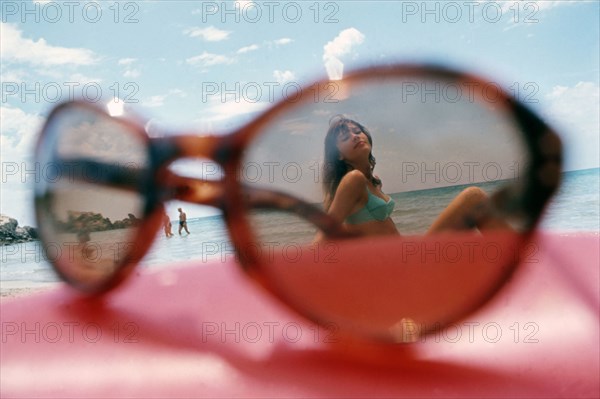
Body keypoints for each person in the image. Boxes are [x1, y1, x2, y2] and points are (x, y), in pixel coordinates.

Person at [320, 115, 509, 238]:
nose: (355, 136)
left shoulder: (373, 179)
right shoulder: (353, 180)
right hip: (397, 270)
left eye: (357, 131)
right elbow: (326, 233)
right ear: (338, 155)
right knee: (474, 197)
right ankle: (522, 264)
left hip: (404, 257)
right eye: (345, 138)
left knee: (475, 202)